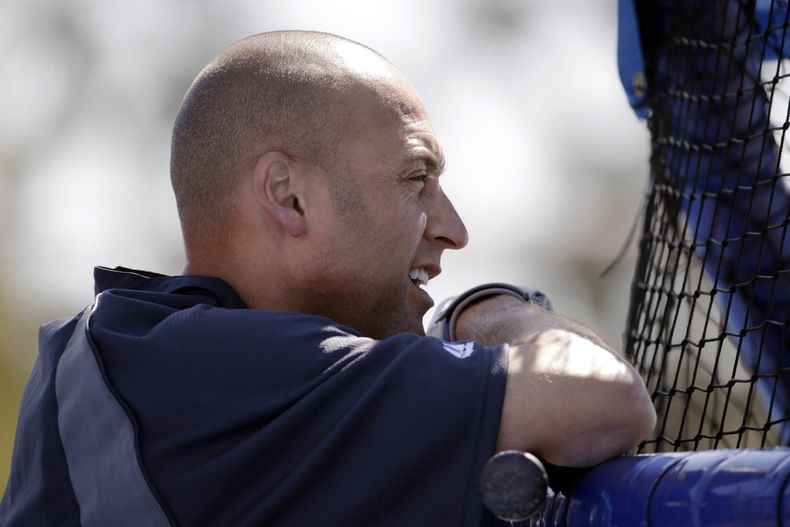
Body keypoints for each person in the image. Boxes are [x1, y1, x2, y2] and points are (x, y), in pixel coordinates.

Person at [0, 31, 656, 526]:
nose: (453, 229)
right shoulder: (222, 371)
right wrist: (486, 311)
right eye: (415, 178)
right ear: (289, 198)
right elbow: (605, 401)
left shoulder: (147, 348)